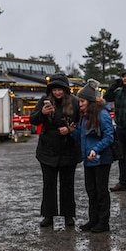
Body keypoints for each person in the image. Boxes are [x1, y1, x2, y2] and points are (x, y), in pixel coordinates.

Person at [29, 72, 82, 228]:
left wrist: (69, 130)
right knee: (49, 184)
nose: (57, 92)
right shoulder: (44, 101)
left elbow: (80, 122)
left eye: (60, 89)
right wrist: (42, 113)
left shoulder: (75, 102)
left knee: (68, 184)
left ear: (65, 89)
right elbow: (33, 119)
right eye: (54, 89)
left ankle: (68, 216)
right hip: (47, 150)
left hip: (68, 149)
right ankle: (48, 216)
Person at [75, 81, 115, 233]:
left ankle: (103, 222)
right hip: (88, 160)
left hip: (101, 160)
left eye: (82, 101)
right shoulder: (84, 117)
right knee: (91, 190)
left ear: (90, 102)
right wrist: (70, 131)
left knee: (101, 191)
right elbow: (81, 136)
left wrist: (95, 149)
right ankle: (93, 220)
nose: (80, 104)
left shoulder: (102, 115)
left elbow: (109, 136)